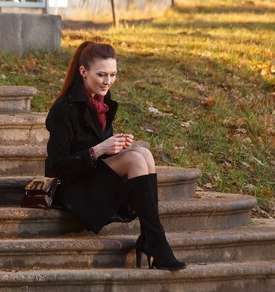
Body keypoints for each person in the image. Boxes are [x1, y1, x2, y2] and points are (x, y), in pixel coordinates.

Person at [44, 41, 186, 271]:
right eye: (101, 75)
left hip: (93, 180)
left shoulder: (102, 104)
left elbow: (101, 155)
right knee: (135, 159)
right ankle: (155, 240)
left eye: (113, 75)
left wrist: (116, 147)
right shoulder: (63, 109)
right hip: (73, 191)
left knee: (143, 153)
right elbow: (56, 167)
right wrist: (98, 150)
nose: (107, 81)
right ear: (83, 72)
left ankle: (152, 239)